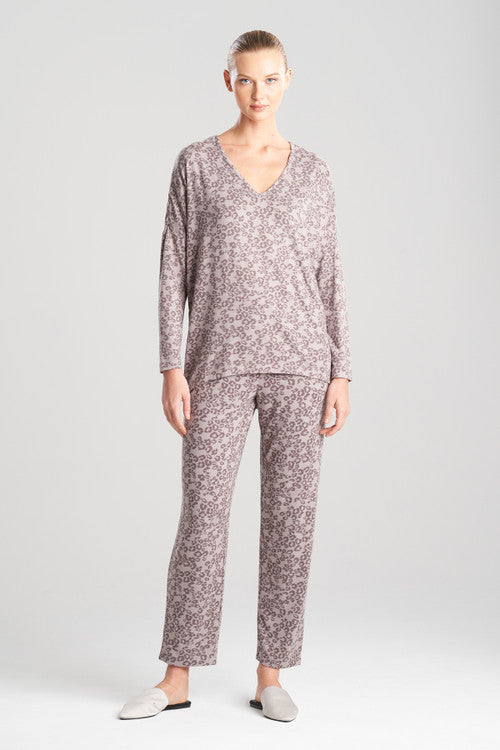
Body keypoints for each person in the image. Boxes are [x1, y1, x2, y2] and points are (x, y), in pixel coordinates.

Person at [119, 28, 352, 723]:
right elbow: (171, 268)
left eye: (271, 79)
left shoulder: (315, 172)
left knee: (290, 520)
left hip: (301, 365)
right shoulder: (195, 164)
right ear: (229, 82)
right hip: (215, 363)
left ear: (288, 80)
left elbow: (331, 276)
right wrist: (171, 364)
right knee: (202, 516)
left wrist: (342, 370)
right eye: (246, 79)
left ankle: (270, 674)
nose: (259, 92)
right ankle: (176, 676)